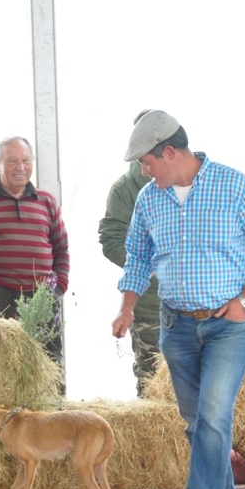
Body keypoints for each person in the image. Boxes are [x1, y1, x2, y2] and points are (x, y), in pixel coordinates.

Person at [111, 110, 245, 489]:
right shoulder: (149, 199)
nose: (144, 171)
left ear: (170, 152)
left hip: (229, 325)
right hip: (176, 326)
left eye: (147, 163)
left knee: (213, 412)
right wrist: (126, 308)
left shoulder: (236, 186)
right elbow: (137, 257)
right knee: (195, 419)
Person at [0, 136, 69, 385]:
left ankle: (51, 411)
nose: (21, 167)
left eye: (26, 160)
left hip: (42, 298)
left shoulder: (47, 201)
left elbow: (61, 248)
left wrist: (58, 287)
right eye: (12, 161)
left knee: (48, 367)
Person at [99, 130, 156, 396]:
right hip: (149, 306)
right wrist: (148, 266)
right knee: (153, 383)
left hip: (194, 307)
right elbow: (111, 240)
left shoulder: (189, 181)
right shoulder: (125, 189)